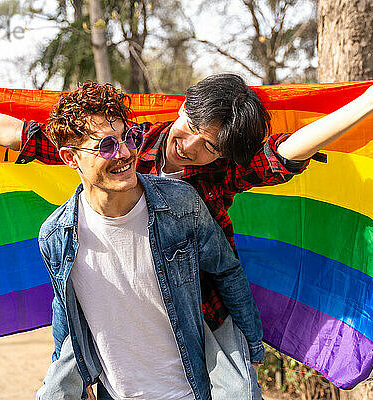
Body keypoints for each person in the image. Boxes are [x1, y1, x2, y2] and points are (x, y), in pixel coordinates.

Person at [0, 67, 373, 399]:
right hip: (113, 301)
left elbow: (286, 153)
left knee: (234, 391)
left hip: (200, 309)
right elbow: (22, 135)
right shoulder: (125, 141)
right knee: (68, 376)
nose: (192, 147)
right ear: (182, 111)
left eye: (211, 146)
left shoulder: (216, 172)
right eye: (191, 129)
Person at [35, 81, 263, 399]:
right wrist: (76, 375)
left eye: (127, 138)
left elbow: (227, 273)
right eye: (106, 146)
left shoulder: (181, 204)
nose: (126, 153)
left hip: (194, 389)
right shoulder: (55, 236)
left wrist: (252, 352)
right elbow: (66, 309)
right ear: (71, 159)